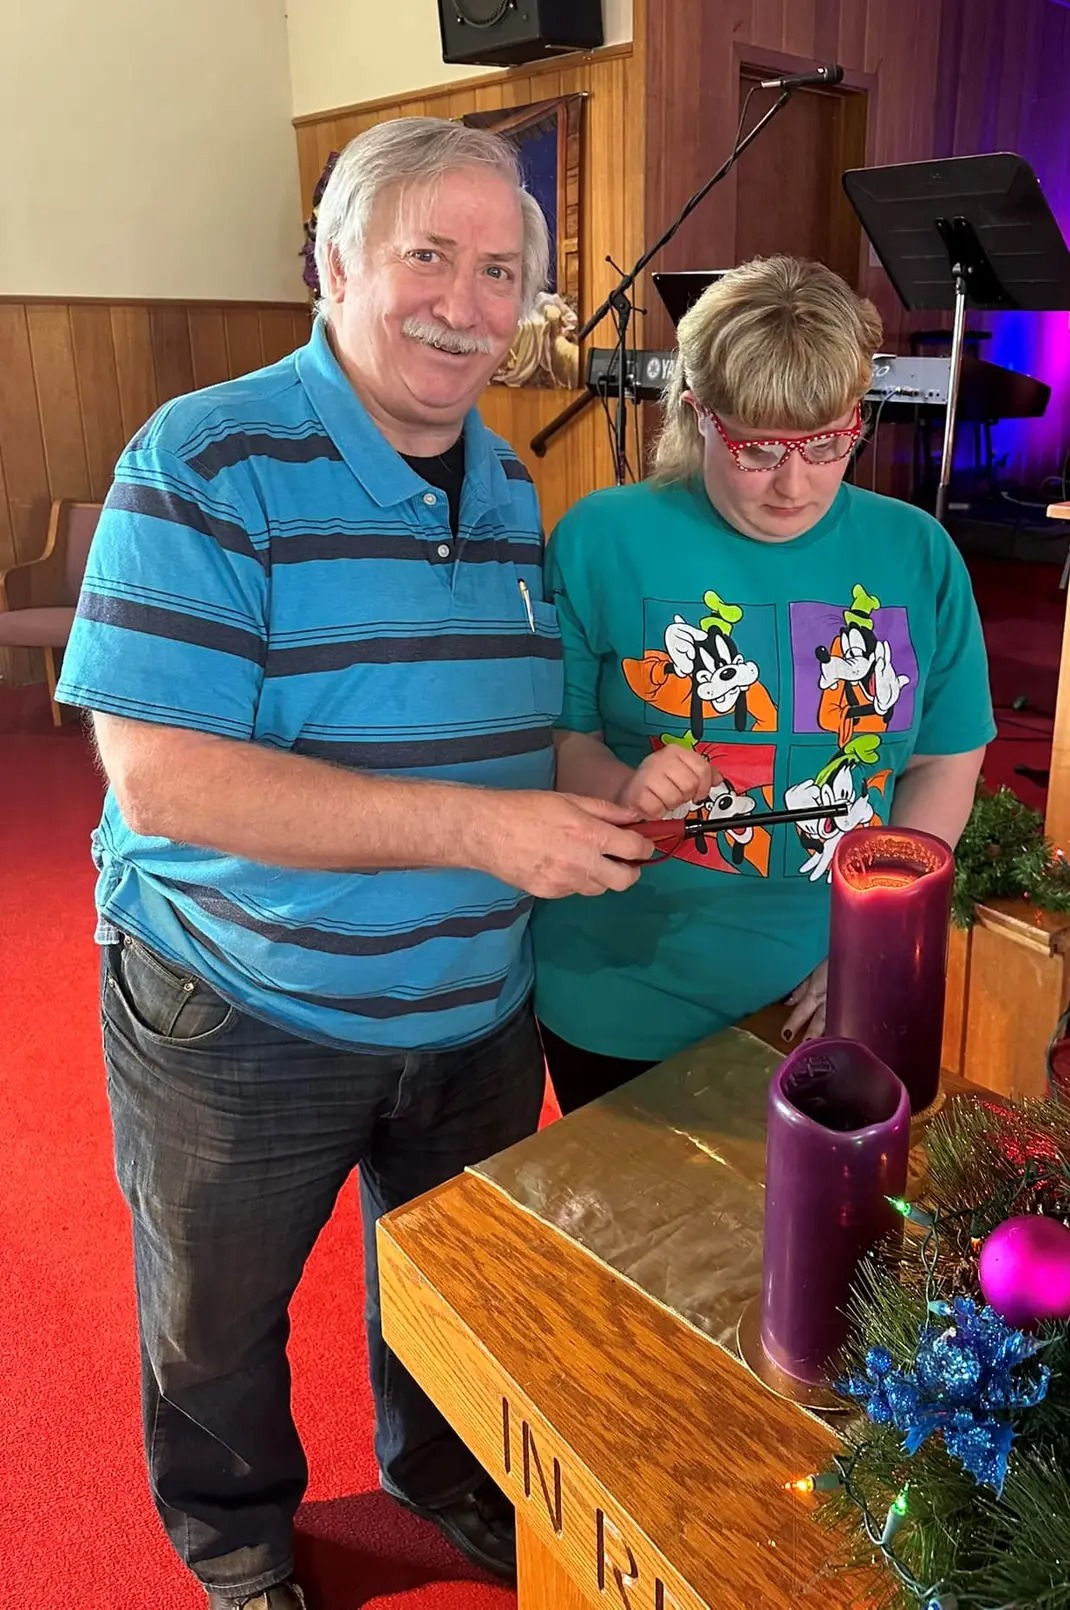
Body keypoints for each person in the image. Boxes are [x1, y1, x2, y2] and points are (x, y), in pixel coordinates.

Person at [55, 117, 654, 1610]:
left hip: (473, 1002)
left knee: (454, 1286)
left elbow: (511, 733)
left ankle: (440, 1471)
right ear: (334, 265)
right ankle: (234, 1532)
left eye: (501, 271)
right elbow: (163, 775)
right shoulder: (202, 457)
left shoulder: (508, 481)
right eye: (427, 256)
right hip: (243, 1004)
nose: (467, 302)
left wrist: (612, 787)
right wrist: (482, 832)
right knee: (215, 1318)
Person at [532, 255, 996, 1113]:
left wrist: (873, 941)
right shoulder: (601, 537)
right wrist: (624, 788)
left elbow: (943, 761)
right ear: (695, 412)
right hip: (623, 989)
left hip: (830, 984)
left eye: (827, 443)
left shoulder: (918, 552)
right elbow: (564, 739)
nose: (794, 483)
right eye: (755, 448)